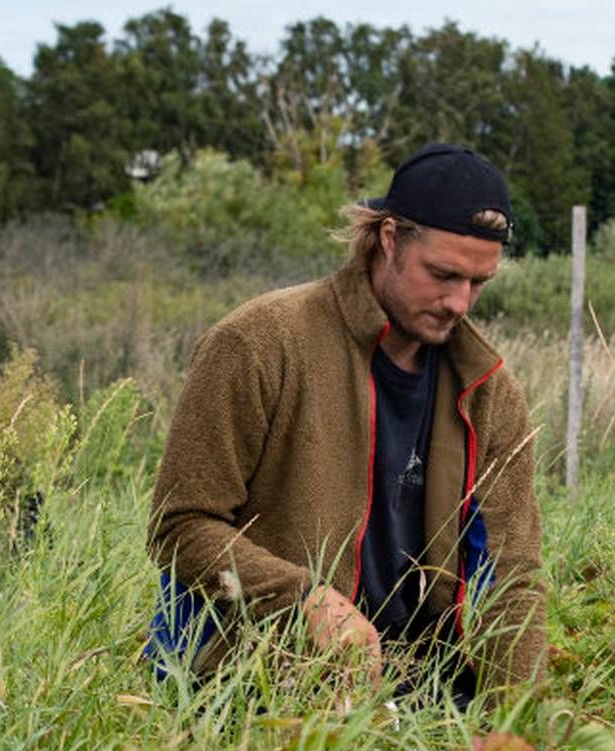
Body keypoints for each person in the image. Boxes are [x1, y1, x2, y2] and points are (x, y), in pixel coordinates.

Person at [147, 143, 545, 701]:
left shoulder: (488, 391)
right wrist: (303, 599)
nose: (459, 303)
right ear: (389, 239)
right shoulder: (259, 343)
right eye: (443, 275)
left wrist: (521, 733)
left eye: (478, 284)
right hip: (264, 687)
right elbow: (179, 526)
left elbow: (514, 578)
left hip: (426, 697)